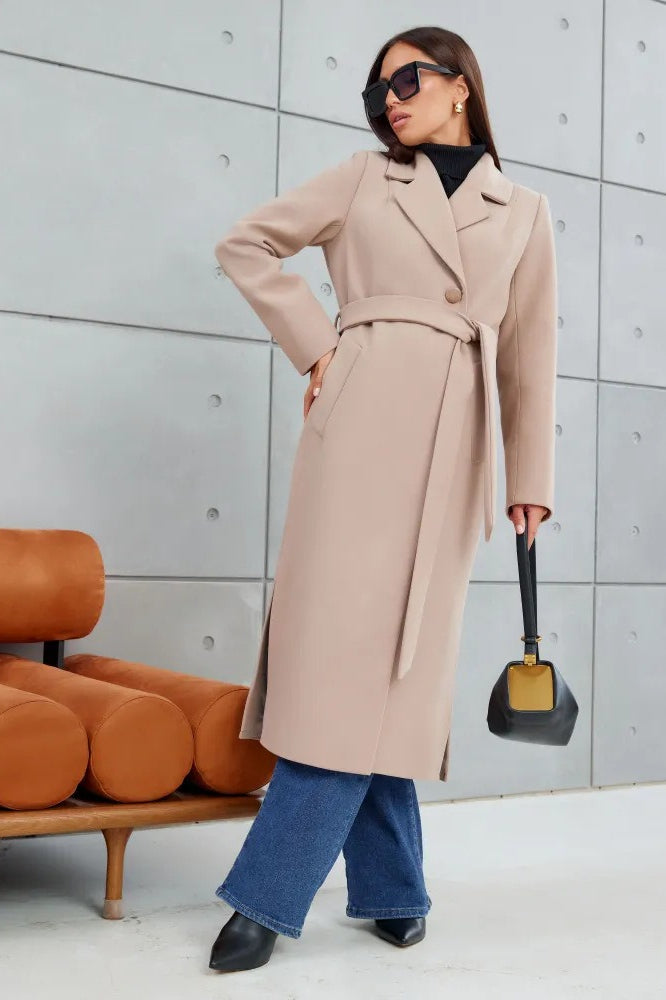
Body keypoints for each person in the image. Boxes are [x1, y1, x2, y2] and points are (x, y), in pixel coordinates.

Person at [209, 25, 557, 973]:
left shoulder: (524, 210)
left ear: (460, 86)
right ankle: (290, 891)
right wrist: (322, 348)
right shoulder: (364, 179)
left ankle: (386, 889)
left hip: (456, 443)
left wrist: (530, 483)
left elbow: (529, 358)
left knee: (398, 664)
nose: (389, 101)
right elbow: (247, 244)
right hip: (357, 430)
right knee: (345, 660)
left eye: (407, 80)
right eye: (376, 92)